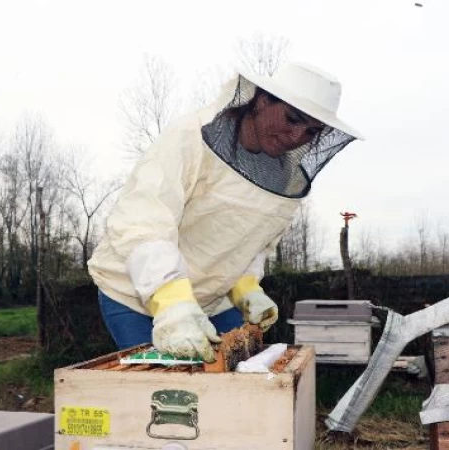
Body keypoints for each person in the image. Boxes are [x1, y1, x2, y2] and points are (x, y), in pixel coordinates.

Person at [88, 61, 363, 363]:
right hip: (136, 296)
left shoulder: (284, 175)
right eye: (292, 118)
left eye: (312, 131)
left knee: (232, 390)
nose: (297, 136)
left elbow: (254, 241)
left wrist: (246, 288)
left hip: (213, 301)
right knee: (170, 398)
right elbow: (143, 223)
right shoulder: (189, 136)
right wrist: (171, 301)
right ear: (261, 100)